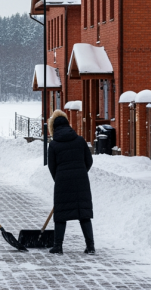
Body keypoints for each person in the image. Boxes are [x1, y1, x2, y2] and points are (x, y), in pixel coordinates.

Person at [47, 109, 95, 255]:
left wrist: (60, 177)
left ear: (53, 128)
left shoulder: (54, 144)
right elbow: (89, 160)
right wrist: (80, 172)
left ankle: (58, 246)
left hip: (62, 182)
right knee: (84, 214)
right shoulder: (80, 140)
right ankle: (90, 246)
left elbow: (52, 166)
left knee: (61, 214)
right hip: (81, 181)